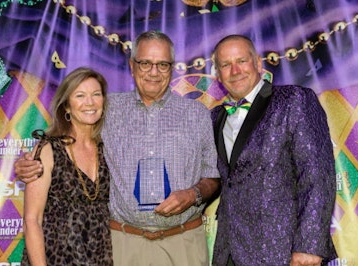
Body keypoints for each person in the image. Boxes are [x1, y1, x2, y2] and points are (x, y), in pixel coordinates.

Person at [15, 30, 221, 266]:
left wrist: (192, 194)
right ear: (132, 66)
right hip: (123, 244)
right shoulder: (105, 109)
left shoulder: (197, 114)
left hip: (183, 242)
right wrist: (29, 164)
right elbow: (66, 142)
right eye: (145, 63)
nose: (154, 72)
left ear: (172, 68)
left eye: (162, 64)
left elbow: (212, 177)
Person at [210, 34, 337, 266]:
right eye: (226, 65)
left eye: (242, 61)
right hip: (229, 251)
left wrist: (308, 246)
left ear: (258, 63)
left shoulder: (294, 100)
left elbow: (318, 176)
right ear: (217, 74)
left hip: (283, 251)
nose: (235, 70)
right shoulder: (216, 117)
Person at [20, 67, 113, 265]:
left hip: (101, 256)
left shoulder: (109, 149)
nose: (90, 102)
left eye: (96, 94)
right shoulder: (48, 149)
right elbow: (32, 220)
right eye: (80, 95)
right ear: (67, 106)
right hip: (56, 257)